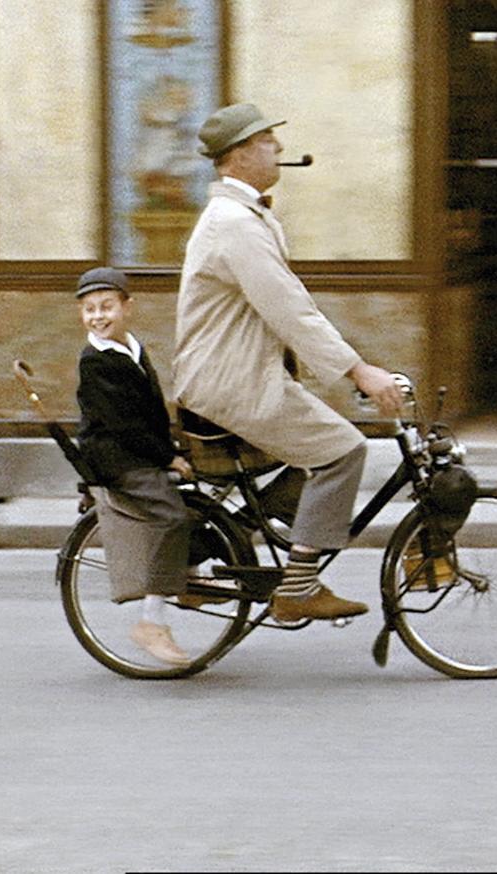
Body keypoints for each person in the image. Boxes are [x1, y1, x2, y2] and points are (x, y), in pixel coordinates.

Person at [172, 103, 404, 622]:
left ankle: (237, 533)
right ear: (238, 155)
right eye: (265, 140)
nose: (277, 147)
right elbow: (290, 310)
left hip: (241, 376)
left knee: (319, 450)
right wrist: (358, 370)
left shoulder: (243, 217)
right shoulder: (234, 223)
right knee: (343, 450)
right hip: (232, 382)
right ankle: (298, 588)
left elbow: (287, 308)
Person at [75, 266, 194, 667]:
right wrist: (167, 457)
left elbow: (151, 413)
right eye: (90, 309)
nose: (98, 316)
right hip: (117, 459)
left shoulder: (132, 349)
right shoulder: (95, 361)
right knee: (171, 516)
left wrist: (174, 447)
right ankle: (151, 622)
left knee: (196, 504)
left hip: (138, 450)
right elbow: (122, 425)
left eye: (106, 306)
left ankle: (189, 575)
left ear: (127, 307)